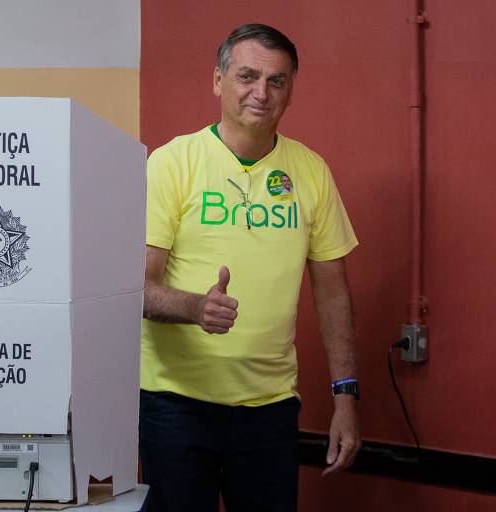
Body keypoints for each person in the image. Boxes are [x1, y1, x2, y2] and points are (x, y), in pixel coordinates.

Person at [139, 23, 361, 512]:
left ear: (290, 91)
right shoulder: (172, 163)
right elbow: (135, 288)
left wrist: (345, 397)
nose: (261, 93)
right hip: (176, 406)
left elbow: (333, 293)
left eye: (276, 81)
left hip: (270, 410)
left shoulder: (311, 172)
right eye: (247, 76)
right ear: (218, 80)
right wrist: (196, 307)